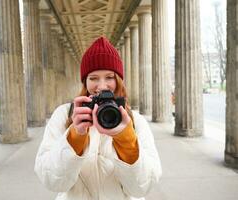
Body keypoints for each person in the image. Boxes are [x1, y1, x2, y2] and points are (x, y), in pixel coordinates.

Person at [34, 37, 162, 200]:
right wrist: (75, 136)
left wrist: (126, 138)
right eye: (93, 78)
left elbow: (142, 187)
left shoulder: (134, 121)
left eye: (109, 77)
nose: (101, 86)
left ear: (119, 80)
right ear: (85, 82)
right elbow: (51, 181)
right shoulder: (64, 114)